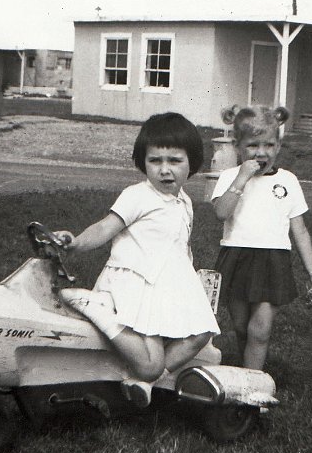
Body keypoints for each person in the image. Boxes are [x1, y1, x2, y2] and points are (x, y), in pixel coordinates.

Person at [57, 112, 220, 407]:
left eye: (175, 161)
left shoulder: (184, 202)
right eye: (155, 161)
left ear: (192, 163)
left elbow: (179, 245)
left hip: (165, 286)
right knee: (150, 363)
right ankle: (98, 310)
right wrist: (78, 243)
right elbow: (106, 227)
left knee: (202, 331)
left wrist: (188, 286)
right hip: (135, 282)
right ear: (142, 162)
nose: (164, 170)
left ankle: (144, 383)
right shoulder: (137, 196)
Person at [211, 104, 312, 370]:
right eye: (253, 145)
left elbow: (300, 229)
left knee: (260, 329)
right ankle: (244, 371)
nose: (261, 152)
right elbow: (221, 213)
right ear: (238, 146)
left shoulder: (288, 181)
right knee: (241, 326)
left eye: (269, 145)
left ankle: (253, 384)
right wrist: (240, 179)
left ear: (278, 146)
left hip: (272, 261)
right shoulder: (229, 177)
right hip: (237, 257)